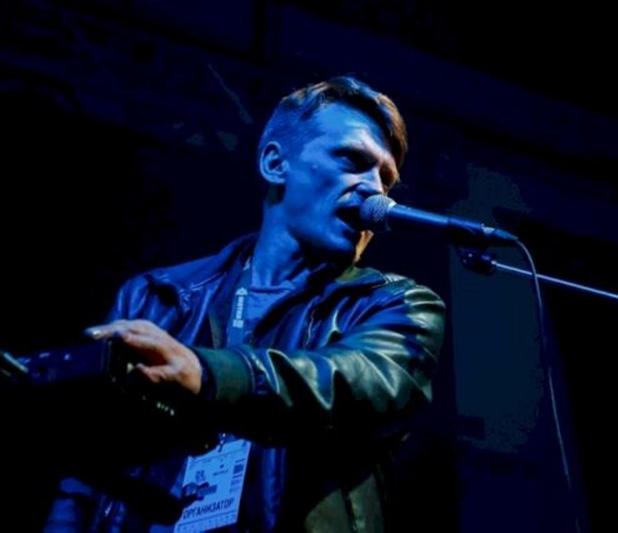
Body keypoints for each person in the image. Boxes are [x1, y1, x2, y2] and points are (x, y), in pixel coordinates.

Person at [45, 76, 446, 532]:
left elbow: (348, 385)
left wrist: (207, 375)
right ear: (275, 163)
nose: (375, 192)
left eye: (386, 179)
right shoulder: (153, 296)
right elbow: (85, 466)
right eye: (352, 160)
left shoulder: (396, 305)